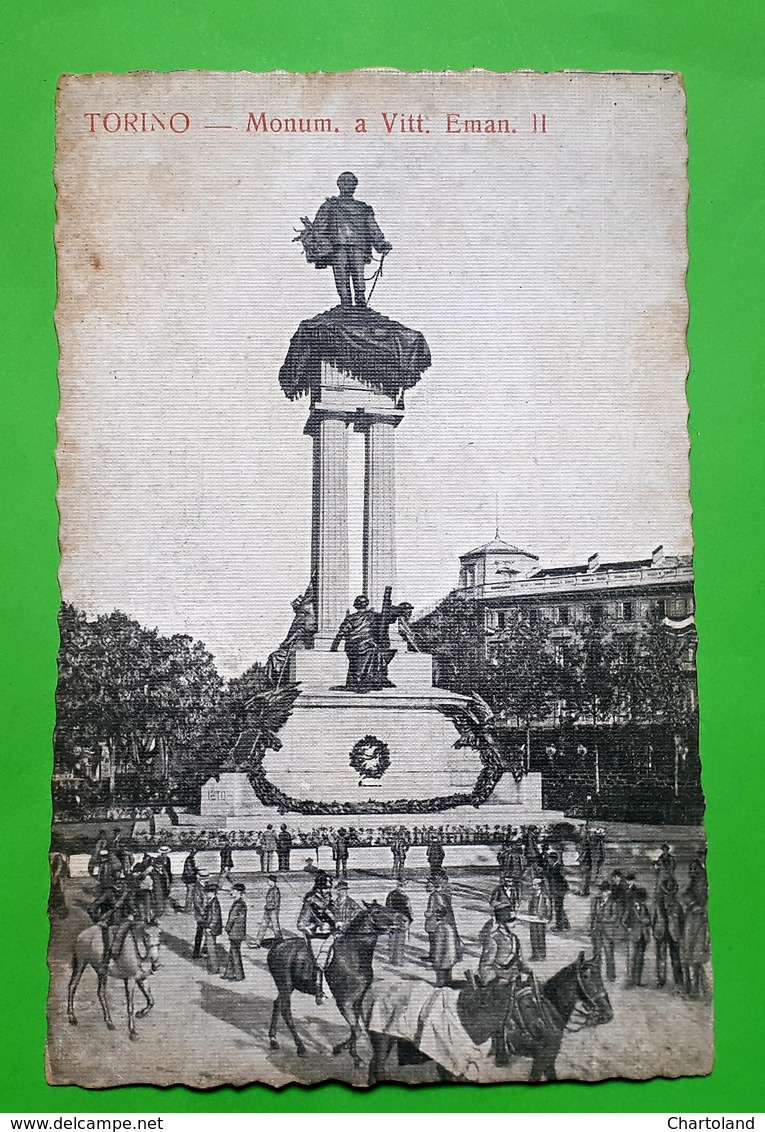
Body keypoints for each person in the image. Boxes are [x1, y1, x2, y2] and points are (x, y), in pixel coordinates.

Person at [305, 171, 393, 308]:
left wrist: (381, 243)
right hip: (337, 248)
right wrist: (316, 241)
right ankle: (346, 304)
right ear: (339, 185)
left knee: (358, 275)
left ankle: (360, 303)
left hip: (358, 248)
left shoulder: (363, 208)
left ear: (355, 186)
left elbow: (372, 227)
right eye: (344, 182)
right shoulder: (330, 206)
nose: (347, 185)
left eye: (350, 183)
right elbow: (319, 227)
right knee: (341, 275)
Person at [297, 872, 337, 1004]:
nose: (327, 891)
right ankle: (321, 991)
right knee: (321, 961)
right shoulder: (310, 902)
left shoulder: (328, 899)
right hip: (316, 936)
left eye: (329, 888)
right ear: (318, 888)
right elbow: (301, 923)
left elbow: (333, 915)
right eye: (325, 888)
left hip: (330, 933)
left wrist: (336, 922)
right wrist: (314, 926)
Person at [424, 876, 462, 987]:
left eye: (429, 884)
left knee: (438, 943)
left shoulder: (435, 896)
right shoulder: (443, 894)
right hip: (442, 922)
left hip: (435, 922)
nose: (427, 886)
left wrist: (428, 914)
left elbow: (438, 908)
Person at [653, 875, 684, 988]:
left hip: (674, 934)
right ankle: (661, 980)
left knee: (676, 958)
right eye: (666, 893)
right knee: (661, 957)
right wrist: (656, 931)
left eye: (670, 894)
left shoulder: (677, 906)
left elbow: (682, 921)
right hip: (661, 933)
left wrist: (679, 934)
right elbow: (653, 920)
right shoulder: (657, 905)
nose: (668, 896)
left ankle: (679, 981)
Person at [624, 886, 652, 986]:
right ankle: (631, 980)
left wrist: (645, 921)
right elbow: (624, 920)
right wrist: (629, 928)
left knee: (640, 959)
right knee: (632, 958)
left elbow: (649, 920)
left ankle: (637, 981)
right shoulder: (630, 908)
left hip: (643, 935)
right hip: (634, 936)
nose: (641, 901)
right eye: (640, 899)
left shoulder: (644, 908)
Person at [589, 880, 616, 982]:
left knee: (609, 954)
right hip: (597, 931)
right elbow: (592, 915)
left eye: (605, 891)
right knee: (596, 953)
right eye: (602, 891)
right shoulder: (596, 901)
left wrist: (604, 920)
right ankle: (596, 975)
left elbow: (614, 917)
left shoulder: (613, 903)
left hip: (608, 932)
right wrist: (591, 928)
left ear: (609, 892)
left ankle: (611, 975)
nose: (602, 893)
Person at [222, 883, 247, 981]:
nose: (231, 892)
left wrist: (227, 928)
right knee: (233, 953)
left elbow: (232, 919)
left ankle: (239, 975)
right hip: (238, 932)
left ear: (238, 892)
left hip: (235, 932)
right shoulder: (241, 903)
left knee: (235, 954)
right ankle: (228, 973)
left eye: (234, 890)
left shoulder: (238, 904)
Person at [385, 886, 413, 965]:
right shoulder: (404, 896)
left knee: (393, 939)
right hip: (401, 918)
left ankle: (392, 958)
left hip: (393, 917)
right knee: (399, 939)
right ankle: (397, 960)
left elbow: (387, 906)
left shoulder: (391, 894)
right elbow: (408, 909)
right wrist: (410, 919)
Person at [527, 875, 552, 960]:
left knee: (540, 936)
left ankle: (542, 954)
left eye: (535, 885)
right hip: (532, 918)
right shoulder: (532, 895)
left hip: (541, 919)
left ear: (539, 886)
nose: (533, 886)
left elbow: (548, 907)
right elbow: (530, 905)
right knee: (533, 936)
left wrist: (548, 917)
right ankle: (535, 954)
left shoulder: (544, 896)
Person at [254, 875, 283, 946]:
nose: (268, 882)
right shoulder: (271, 889)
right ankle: (258, 942)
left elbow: (276, 903)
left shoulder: (275, 891)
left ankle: (280, 941)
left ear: (273, 882)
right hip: (268, 910)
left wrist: (270, 907)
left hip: (273, 911)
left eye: (269, 880)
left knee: (275, 927)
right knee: (263, 926)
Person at [545, 850, 569, 931]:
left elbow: (562, 878)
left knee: (558, 908)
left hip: (559, 890)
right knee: (559, 907)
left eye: (549, 859)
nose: (548, 860)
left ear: (552, 860)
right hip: (557, 890)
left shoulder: (557, 868)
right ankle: (565, 924)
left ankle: (559, 926)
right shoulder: (553, 867)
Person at [202, 881, 223, 974]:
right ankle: (212, 967)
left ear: (212, 893)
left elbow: (215, 917)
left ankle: (214, 968)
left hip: (211, 929)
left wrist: (210, 927)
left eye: (207, 892)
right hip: (210, 928)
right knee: (210, 948)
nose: (206, 894)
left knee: (211, 949)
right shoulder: (212, 901)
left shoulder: (214, 903)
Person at [191, 870, 208, 958]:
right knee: (200, 933)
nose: (207, 879)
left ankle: (205, 950)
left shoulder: (206, 886)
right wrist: (203, 912)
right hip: (201, 915)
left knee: (206, 932)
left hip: (207, 913)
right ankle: (196, 952)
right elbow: (197, 903)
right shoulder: (197, 888)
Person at [182, 848, 199, 912]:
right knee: (190, 893)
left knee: (191, 893)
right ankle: (188, 908)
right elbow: (189, 869)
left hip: (189, 877)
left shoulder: (190, 859)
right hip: (190, 878)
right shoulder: (190, 859)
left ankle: (188, 907)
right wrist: (196, 871)